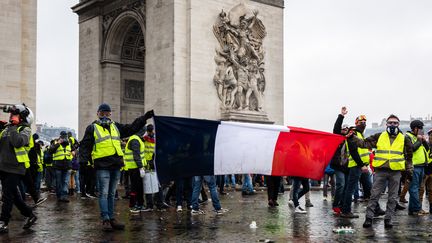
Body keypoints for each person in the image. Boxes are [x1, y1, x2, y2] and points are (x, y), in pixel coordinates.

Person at [79, 103, 153, 232]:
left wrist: (144, 117)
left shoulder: (116, 126)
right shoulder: (92, 128)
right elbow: (85, 145)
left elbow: (131, 128)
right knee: (104, 193)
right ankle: (106, 219)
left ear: (110, 114)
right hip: (102, 165)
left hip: (116, 164)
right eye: (102, 113)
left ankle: (112, 218)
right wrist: (84, 162)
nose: (105, 116)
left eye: (107, 113)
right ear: (97, 114)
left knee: (112, 194)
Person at [349, 114, 413, 229]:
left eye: (395, 123)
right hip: (380, 171)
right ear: (386, 124)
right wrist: (351, 137)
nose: (392, 125)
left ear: (398, 124)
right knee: (374, 195)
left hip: (396, 171)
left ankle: (388, 219)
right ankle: (369, 218)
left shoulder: (404, 139)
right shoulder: (379, 136)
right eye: (390, 123)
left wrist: (409, 171)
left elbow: (409, 157)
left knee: (393, 197)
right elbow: (364, 143)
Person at [0, 104, 37, 232]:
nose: (11, 117)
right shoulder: (7, 129)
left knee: (7, 196)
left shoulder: (25, 130)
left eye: (14, 115)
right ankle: (30, 215)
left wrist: (13, 128)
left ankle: (3, 222)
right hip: (4, 167)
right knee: (14, 196)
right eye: (11, 115)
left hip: (15, 168)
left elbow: (17, 143)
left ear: (22, 118)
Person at [341, 115, 371, 218]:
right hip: (356, 165)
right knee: (350, 188)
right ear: (356, 123)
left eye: (364, 122)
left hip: (362, 165)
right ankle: (345, 211)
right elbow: (353, 151)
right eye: (361, 122)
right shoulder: (353, 133)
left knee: (369, 188)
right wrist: (361, 165)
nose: (363, 123)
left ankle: (375, 208)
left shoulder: (360, 134)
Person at [406, 120, 429, 215]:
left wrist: (423, 141)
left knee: (417, 188)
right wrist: (419, 140)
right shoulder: (408, 137)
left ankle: (412, 209)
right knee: (414, 188)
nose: (421, 131)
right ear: (415, 128)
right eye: (420, 129)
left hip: (421, 166)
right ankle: (417, 208)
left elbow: (427, 149)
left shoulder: (418, 138)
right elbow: (411, 149)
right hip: (414, 166)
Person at [329, 106, 349, 215]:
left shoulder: (350, 139)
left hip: (347, 166)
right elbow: (336, 128)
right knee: (341, 184)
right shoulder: (338, 137)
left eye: (346, 130)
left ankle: (342, 205)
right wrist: (341, 115)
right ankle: (335, 205)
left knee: (346, 187)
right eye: (343, 129)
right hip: (338, 165)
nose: (344, 131)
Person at [123, 129, 147, 213]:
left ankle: (139, 204)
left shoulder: (136, 139)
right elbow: (136, 154)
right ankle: (134, 205)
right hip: (135, 167)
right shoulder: (135, 140)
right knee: (135, 187)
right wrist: (140, 167)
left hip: (136, 167)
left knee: (138, 187)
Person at [49, 131, 73, 202]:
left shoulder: (69, 143)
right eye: (63, 136)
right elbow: (50, 151)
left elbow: (73, 150)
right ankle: (59, 196)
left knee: (65, 182)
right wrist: (58, 143)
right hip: (58, 166)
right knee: (58, 182)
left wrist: (74, 152)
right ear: (60, 136)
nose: (64, 138)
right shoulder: (56, 142)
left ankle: (64, 196)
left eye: (65, 136)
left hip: (67, 165)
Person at [419, 129, 432, 213]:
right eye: (431, 135)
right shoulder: (425, 145)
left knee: (431, 190)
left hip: (430, 172)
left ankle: (431, 208)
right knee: (421, 189)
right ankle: (419, 208)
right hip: (425, 171)